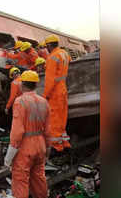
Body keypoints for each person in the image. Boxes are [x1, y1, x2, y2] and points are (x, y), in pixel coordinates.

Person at [4, 70, 51, 198]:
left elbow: (17, 133)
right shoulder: (44, 102)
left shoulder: (20, 102)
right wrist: (48, 149)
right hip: (40, 146)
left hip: (25, 148)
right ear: (36, 85)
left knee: (20, 181)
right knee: (39, 178)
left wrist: (8, 157)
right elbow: (48, 130)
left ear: (22, 84)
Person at [43, 34, 72, 152]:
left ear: (49, 45)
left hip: (55, 92)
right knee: (62, 117)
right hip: (63, 89)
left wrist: (45, 95)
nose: (46, 49)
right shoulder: (64, 54)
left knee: (54, 119)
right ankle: (64, 141)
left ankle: (57, 147)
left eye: (46, 47)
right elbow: (69, 61)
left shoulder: (52, 57)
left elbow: (50, 80)